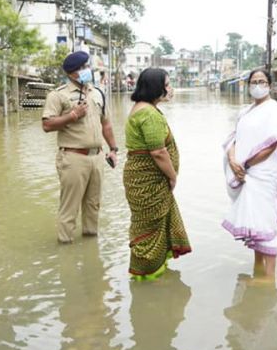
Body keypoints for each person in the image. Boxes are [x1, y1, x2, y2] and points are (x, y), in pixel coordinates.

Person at [222, 69, 277, 279]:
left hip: (263, 175)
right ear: (248, 85)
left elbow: (272, 145)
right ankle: (257, 268)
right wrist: (234, 161)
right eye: (254, 82)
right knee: (254, 222)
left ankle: (269, 279)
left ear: (269, 85)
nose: (257, 85)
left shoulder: (274, 110)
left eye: (262, 81)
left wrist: (244, 164)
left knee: (265, 223)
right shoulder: (245, 112)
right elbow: (233, 139)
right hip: (245, 173)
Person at [42, 51, 119, 243]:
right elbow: (47, 125)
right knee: (70, 207)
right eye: (84, 67)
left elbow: (106, 124)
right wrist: (73, 115)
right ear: (73, 72)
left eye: (88, 66)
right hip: (73, 158)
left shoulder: (97, 92)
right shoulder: (58, 95)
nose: (88, 70)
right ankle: (65, 250)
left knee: (94, 205)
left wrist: (114, 149)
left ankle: (90, 246)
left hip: (97, 157)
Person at [123, 68, 191, 280]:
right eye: (167, 84)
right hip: (148, 182)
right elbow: (158, 152)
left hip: (148, 181)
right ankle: (146, 276)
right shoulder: (148, 114)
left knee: (152, 226)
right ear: (156, 87)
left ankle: (156, 273)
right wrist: (173, 176)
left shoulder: (144, 109)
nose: (170, 89)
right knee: (149, 229)